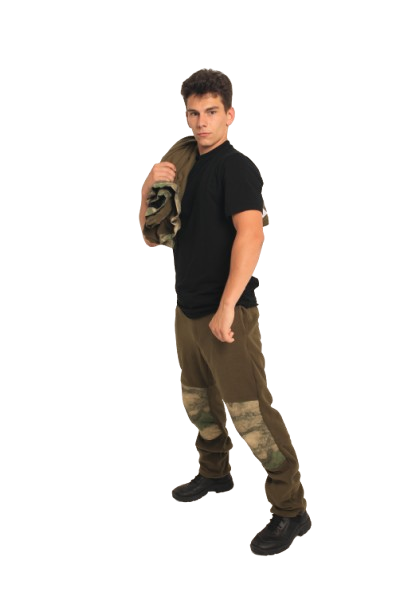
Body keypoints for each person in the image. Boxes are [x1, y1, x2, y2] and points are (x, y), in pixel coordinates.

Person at [139, 68, 310, 556]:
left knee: (252, 414)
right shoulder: (183, 163)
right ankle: (214, 473)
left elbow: (251, 236)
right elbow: (150, 234)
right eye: (193, 113)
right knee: (198, 403)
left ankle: (291, 510)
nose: (201, 123)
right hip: (188, 309)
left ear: (230, 115)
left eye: (211, 112)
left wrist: (227, 307)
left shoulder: (238, 168)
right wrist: (149, 183)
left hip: (227, 313)